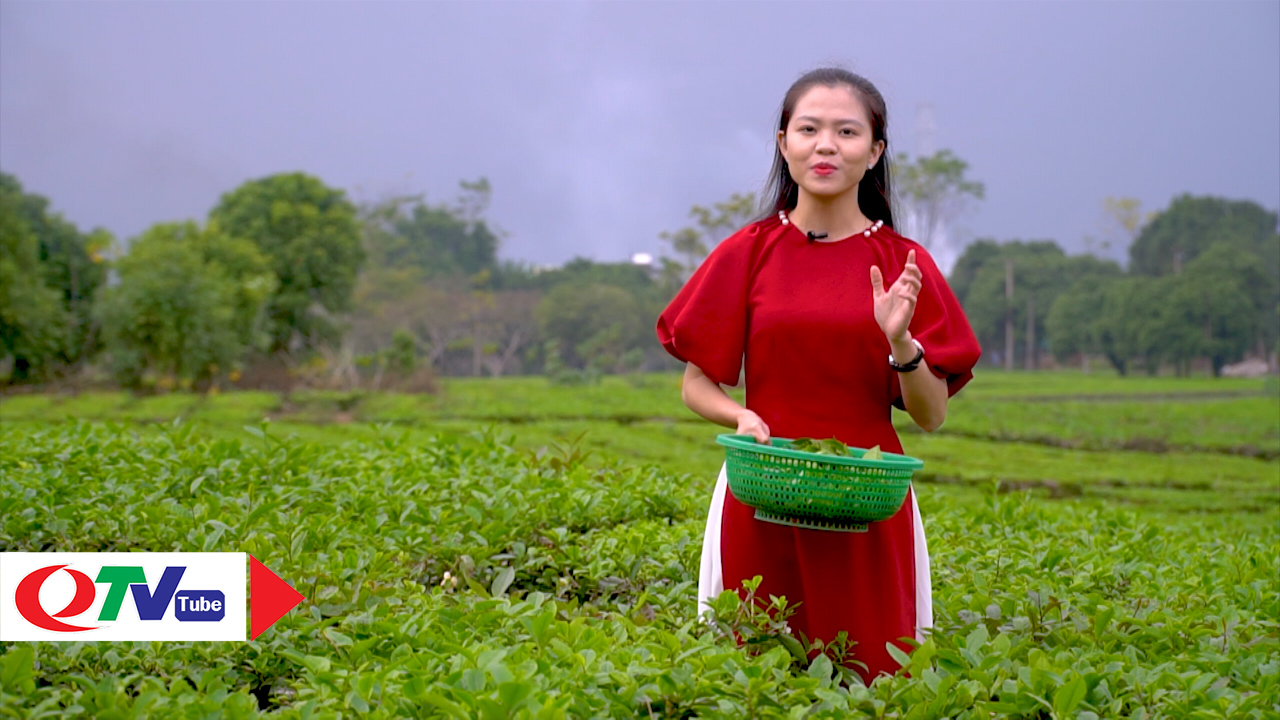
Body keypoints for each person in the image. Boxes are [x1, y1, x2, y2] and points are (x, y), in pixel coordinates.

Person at [655, 67, 981, 683]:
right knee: (751, 677)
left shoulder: (905, 265)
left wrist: (901, 341)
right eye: (809, 129)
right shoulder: (747, 252)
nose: (825, 145)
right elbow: (697, 383)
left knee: (875, 678)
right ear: (784, 143)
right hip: (760, 491)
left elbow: (931, 415)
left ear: (874, 152)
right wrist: (741, 416)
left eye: (846, 131)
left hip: (869, 505)